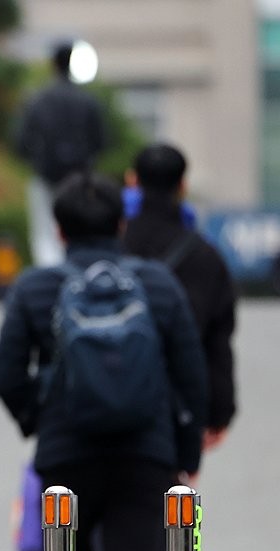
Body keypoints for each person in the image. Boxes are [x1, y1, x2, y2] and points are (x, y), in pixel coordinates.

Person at [0, 172, 208, 551]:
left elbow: (5, 372)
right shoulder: (156, 285)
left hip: (67, 452)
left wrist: (39, 416)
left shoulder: (38, 287)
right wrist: (185, 455)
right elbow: (192, 375)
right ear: (120, 225)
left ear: (58, 230)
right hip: (146, 456)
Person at [122, 143, 237, 448]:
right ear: (183, 186)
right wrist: (219, 412)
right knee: (177, 493)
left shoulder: (113, 245)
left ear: (133, 181)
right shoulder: (206, 255)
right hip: (178, 408)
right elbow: (217, 342)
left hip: (110, 396)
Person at [15, 41, 107, 267]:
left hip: (45, 175)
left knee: (44, 233)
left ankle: (49, 279)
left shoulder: (38, 99)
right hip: (79, 177)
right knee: (80, 228)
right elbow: (101, 142)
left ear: (53, 65)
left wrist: (37, 159)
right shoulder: (88, 101)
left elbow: (21, 140)